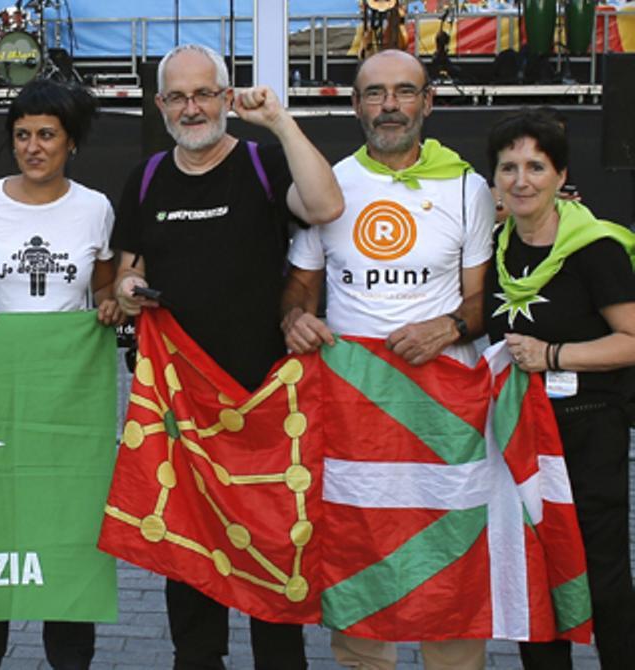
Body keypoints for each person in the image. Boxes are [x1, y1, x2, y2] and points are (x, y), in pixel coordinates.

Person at [113, 44, 344, 670]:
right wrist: (128, 291)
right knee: (188, 560)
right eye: (179, 97)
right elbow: (127, 272)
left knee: (275, 557)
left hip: (263, 406)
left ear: (225, 97)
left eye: (205, 94)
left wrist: (280, 120)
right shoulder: (148, 177)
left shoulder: (264, 165)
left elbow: (325, 206)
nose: (193, 108)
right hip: (180, 412)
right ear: (160, 105)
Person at [280, 49, 494, 669]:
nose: (390, 106)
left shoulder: (467, 186)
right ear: (355, 105)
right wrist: (295, 319)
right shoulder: (328, 184)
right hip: (353, 406)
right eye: (374, 94)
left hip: (444, 405)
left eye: (404, 92)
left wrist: (449, 326)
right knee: (356, 547)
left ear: (428, 102)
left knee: (449, 548)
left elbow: (483, 300)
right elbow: (301, 285)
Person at [0, 78, 123, 669]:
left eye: (47, 135)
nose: (33, 147)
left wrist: (112, 304)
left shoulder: (94, 208)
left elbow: (106, 284)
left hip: (67, 408)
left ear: (70, 143)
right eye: (22, 135)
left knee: (67, 542)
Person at [484, 110, 635, 669]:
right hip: (523, 438)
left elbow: (632, 339)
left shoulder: (595, 249)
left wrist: (552, 356)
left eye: (535, 166)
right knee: (531, 573)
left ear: (559, 174)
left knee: (605, 575)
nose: (521, 180)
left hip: (590, 429)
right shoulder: (498, 249)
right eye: (508, 167)